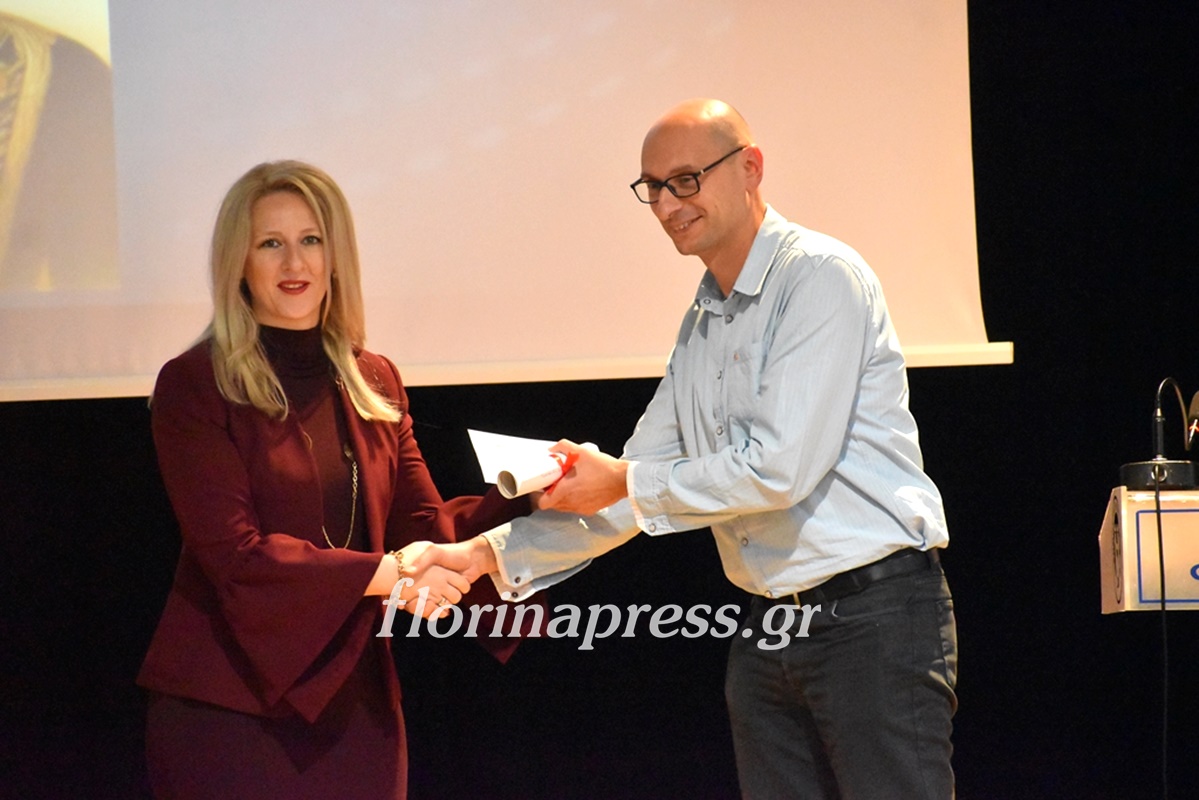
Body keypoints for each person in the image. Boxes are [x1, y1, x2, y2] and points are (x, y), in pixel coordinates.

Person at [440, 99, 958, 798]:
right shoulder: (705, 315)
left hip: (871, 614)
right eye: (652, 187)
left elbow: (776, 471)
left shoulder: (820, 277)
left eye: (685, 180)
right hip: (768, 624)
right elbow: (630, 486)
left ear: (750, 168)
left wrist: (623, 480)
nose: (666, 204)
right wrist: (484, 555)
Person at [138, 160, 530, 799]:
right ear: (239, 262)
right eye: (271, 243)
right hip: (230, 710)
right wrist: (392, 574)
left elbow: (427, 529)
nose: (295, 262)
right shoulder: (195, 384)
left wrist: (531, 502)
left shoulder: (375, 379)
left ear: (336, 255)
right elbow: (236, 558)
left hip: (357, 710)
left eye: (311, 239)